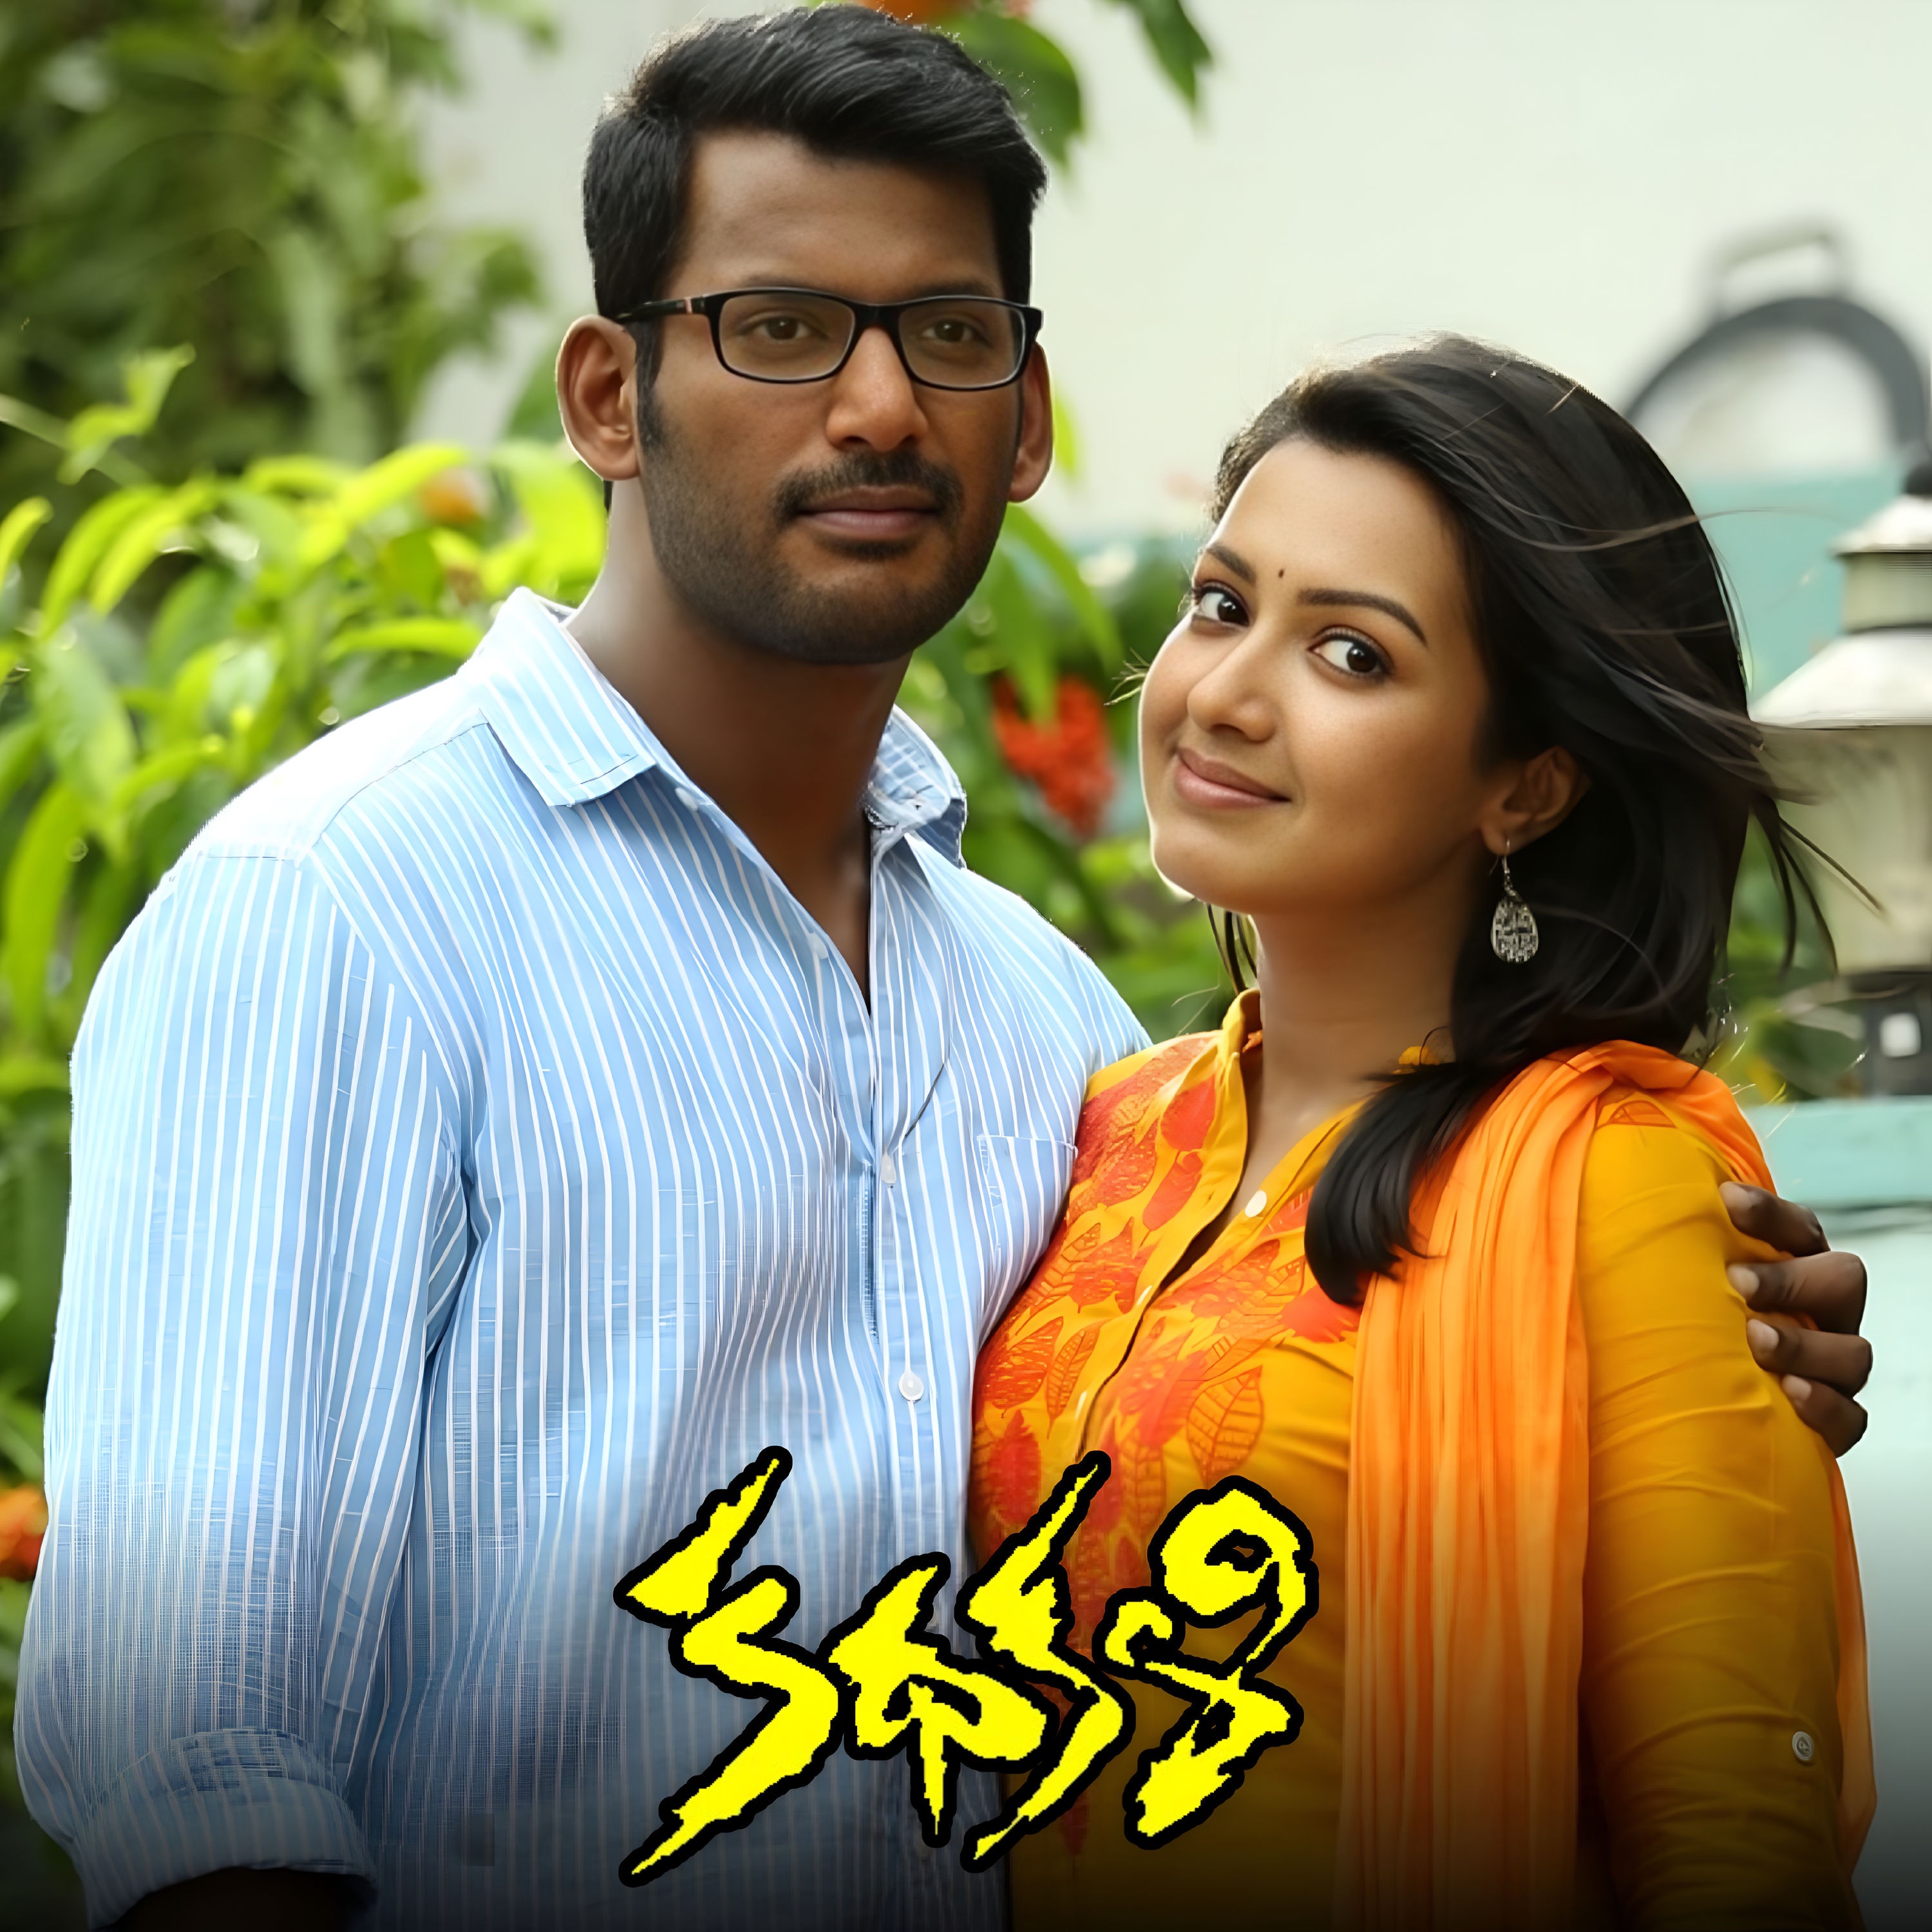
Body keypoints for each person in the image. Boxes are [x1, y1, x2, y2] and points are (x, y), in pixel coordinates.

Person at [15, 9, 1869, 1931]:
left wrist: (1653, 1333)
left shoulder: (1051, 1034)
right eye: (779, 327)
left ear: (1030, 416)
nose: (883, 407)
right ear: (607, 396)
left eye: (949, 334)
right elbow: (192, 1756)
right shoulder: (336, 914)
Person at [970, 337, 1875, 1930]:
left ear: (1525, 788)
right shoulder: (1095, 1133)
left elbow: (1735, 1841)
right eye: (1221, 605)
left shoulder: (1614, 1185)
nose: (1225, 695)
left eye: (1352, 655)